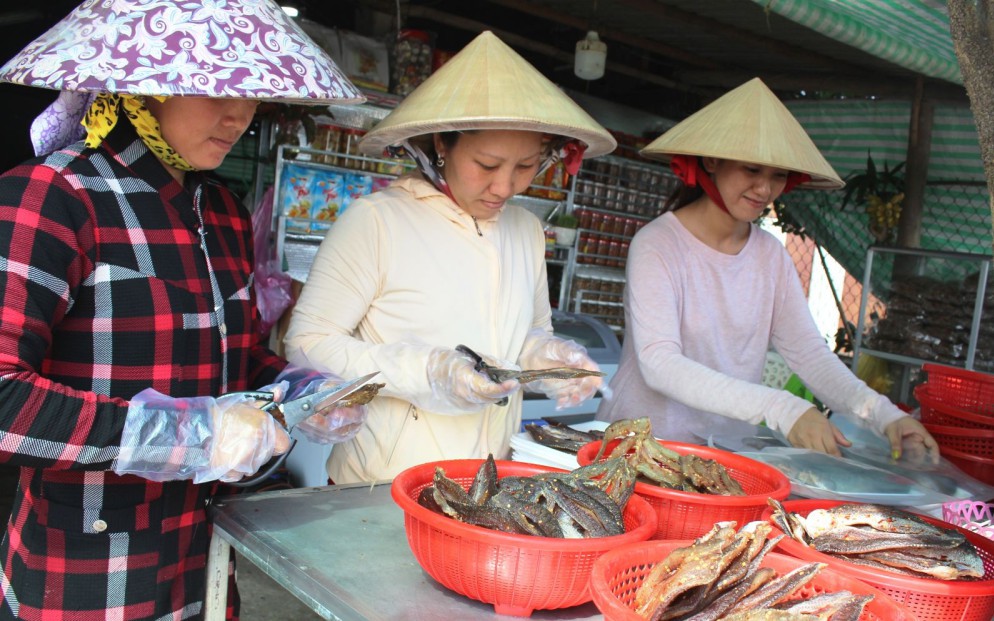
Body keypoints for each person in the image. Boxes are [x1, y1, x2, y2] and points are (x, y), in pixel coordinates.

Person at [0, 1, 370, 619]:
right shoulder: (51, 198)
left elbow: (237, 359)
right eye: (211, 87)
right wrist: (180, 435)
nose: (238, 114)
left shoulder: (221, 212)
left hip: (203, 558)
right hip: (84, 573)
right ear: (139, 87)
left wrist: (304, 389)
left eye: (250, 92)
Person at [283, 31, 616, 484]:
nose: (505, 187)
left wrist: (553, 362)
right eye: (487, 164)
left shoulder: (525, 231)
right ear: (442, 144)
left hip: (487, 484)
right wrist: (429, 371)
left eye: (526, 167)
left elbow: (527, 335)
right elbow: (307, 341)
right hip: (384, 484)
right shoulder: (378, 221)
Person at [596, 78, 938, 462]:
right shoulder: (658, 243)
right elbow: (660, 364)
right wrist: (784, 409)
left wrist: (886, 417)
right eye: (752, 169)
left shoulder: (770, 256)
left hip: (723, 457)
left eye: (778, 176)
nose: (765, 189)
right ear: (711, 161)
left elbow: (809, 353)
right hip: (638, 450)